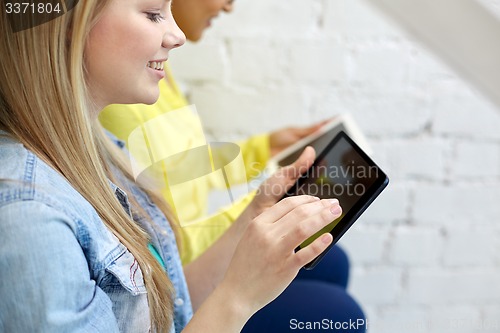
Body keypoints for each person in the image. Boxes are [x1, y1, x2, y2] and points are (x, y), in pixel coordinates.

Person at [0, 1, 356, 332]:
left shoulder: (104, 153)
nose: (177, 35)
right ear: (66, 26)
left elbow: (171, 313)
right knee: (341, 313)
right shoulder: (30, 218)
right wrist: (237, 297)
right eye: (153, 13)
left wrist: (252, 214)